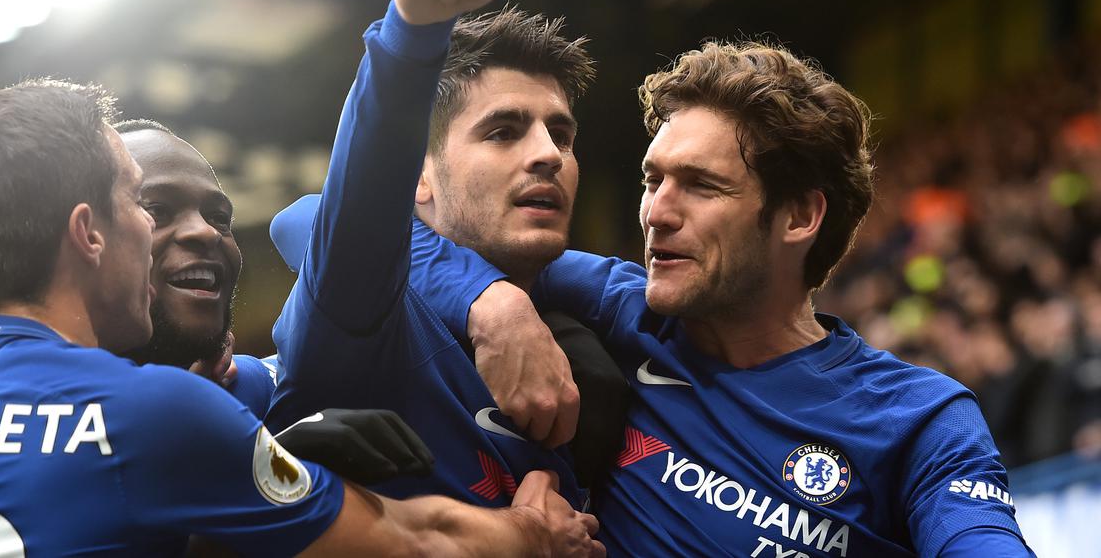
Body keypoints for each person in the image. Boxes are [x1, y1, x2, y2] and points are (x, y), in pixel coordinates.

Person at [0, 0, 604, 552]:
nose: (196, 235)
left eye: (219, 216)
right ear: (87, 233)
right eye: (143, 204)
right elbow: (333, 223)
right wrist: (532, 533)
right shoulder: (163, 416)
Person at [395, 42, 1036, 555]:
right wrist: (490, 302)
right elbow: (316, 223)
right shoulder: (623, 308)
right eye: (654, 180)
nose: (657, 213)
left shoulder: (917, 417)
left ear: (797, 217)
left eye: (700, 186)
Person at [266, 0, 628, 509]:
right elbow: (340, 201)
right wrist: (415, 26)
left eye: (562, 134)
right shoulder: (363, 313)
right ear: (418, 182)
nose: (548, 153)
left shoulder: (589, 328)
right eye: (502, 131)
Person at [119, 118, 436, 484]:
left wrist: (480, 294)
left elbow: (315, 218)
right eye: (156, 210)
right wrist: (266, 474)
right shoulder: (46, 416)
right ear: (83, 238)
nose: (206, 231)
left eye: (219, 217)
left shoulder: (254, 388)